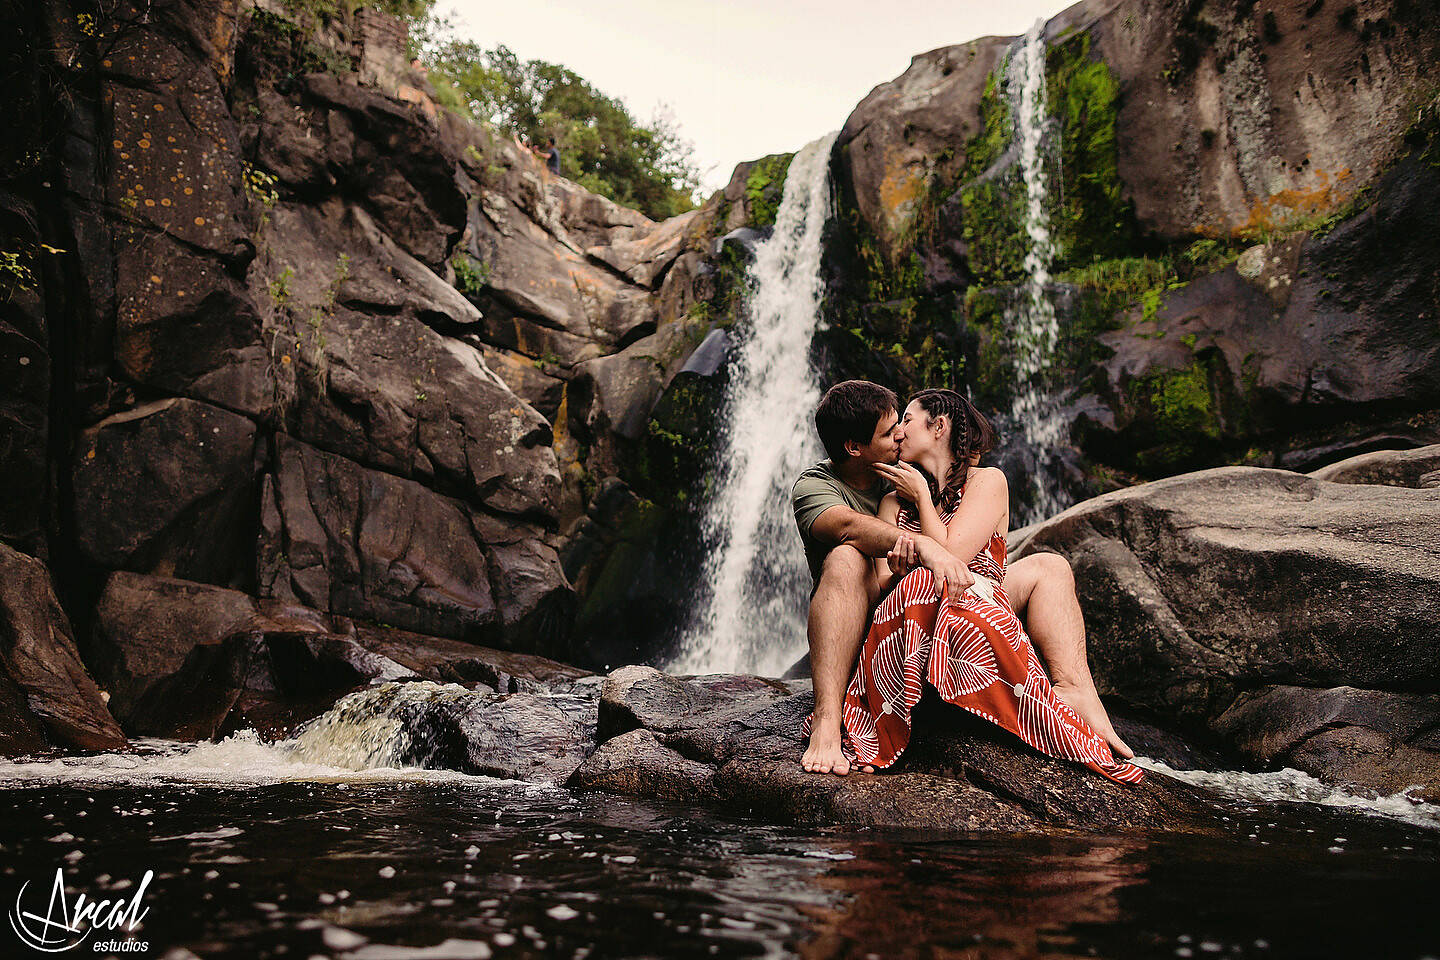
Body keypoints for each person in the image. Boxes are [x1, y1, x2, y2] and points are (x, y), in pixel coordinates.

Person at [791, 380, 1133, 776]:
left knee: (1051, 566)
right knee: (855, 559)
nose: (900, 432)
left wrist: (922, 501)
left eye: (905, 420)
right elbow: (885, 563)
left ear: (939, 428)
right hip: (893, 611)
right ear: (856, 447)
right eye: (892, 429)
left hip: (971, 593)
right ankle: (830, 717)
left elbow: (953, 560)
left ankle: (1075, 690)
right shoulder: (856, 491)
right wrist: (910, 550)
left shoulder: (980, 480)